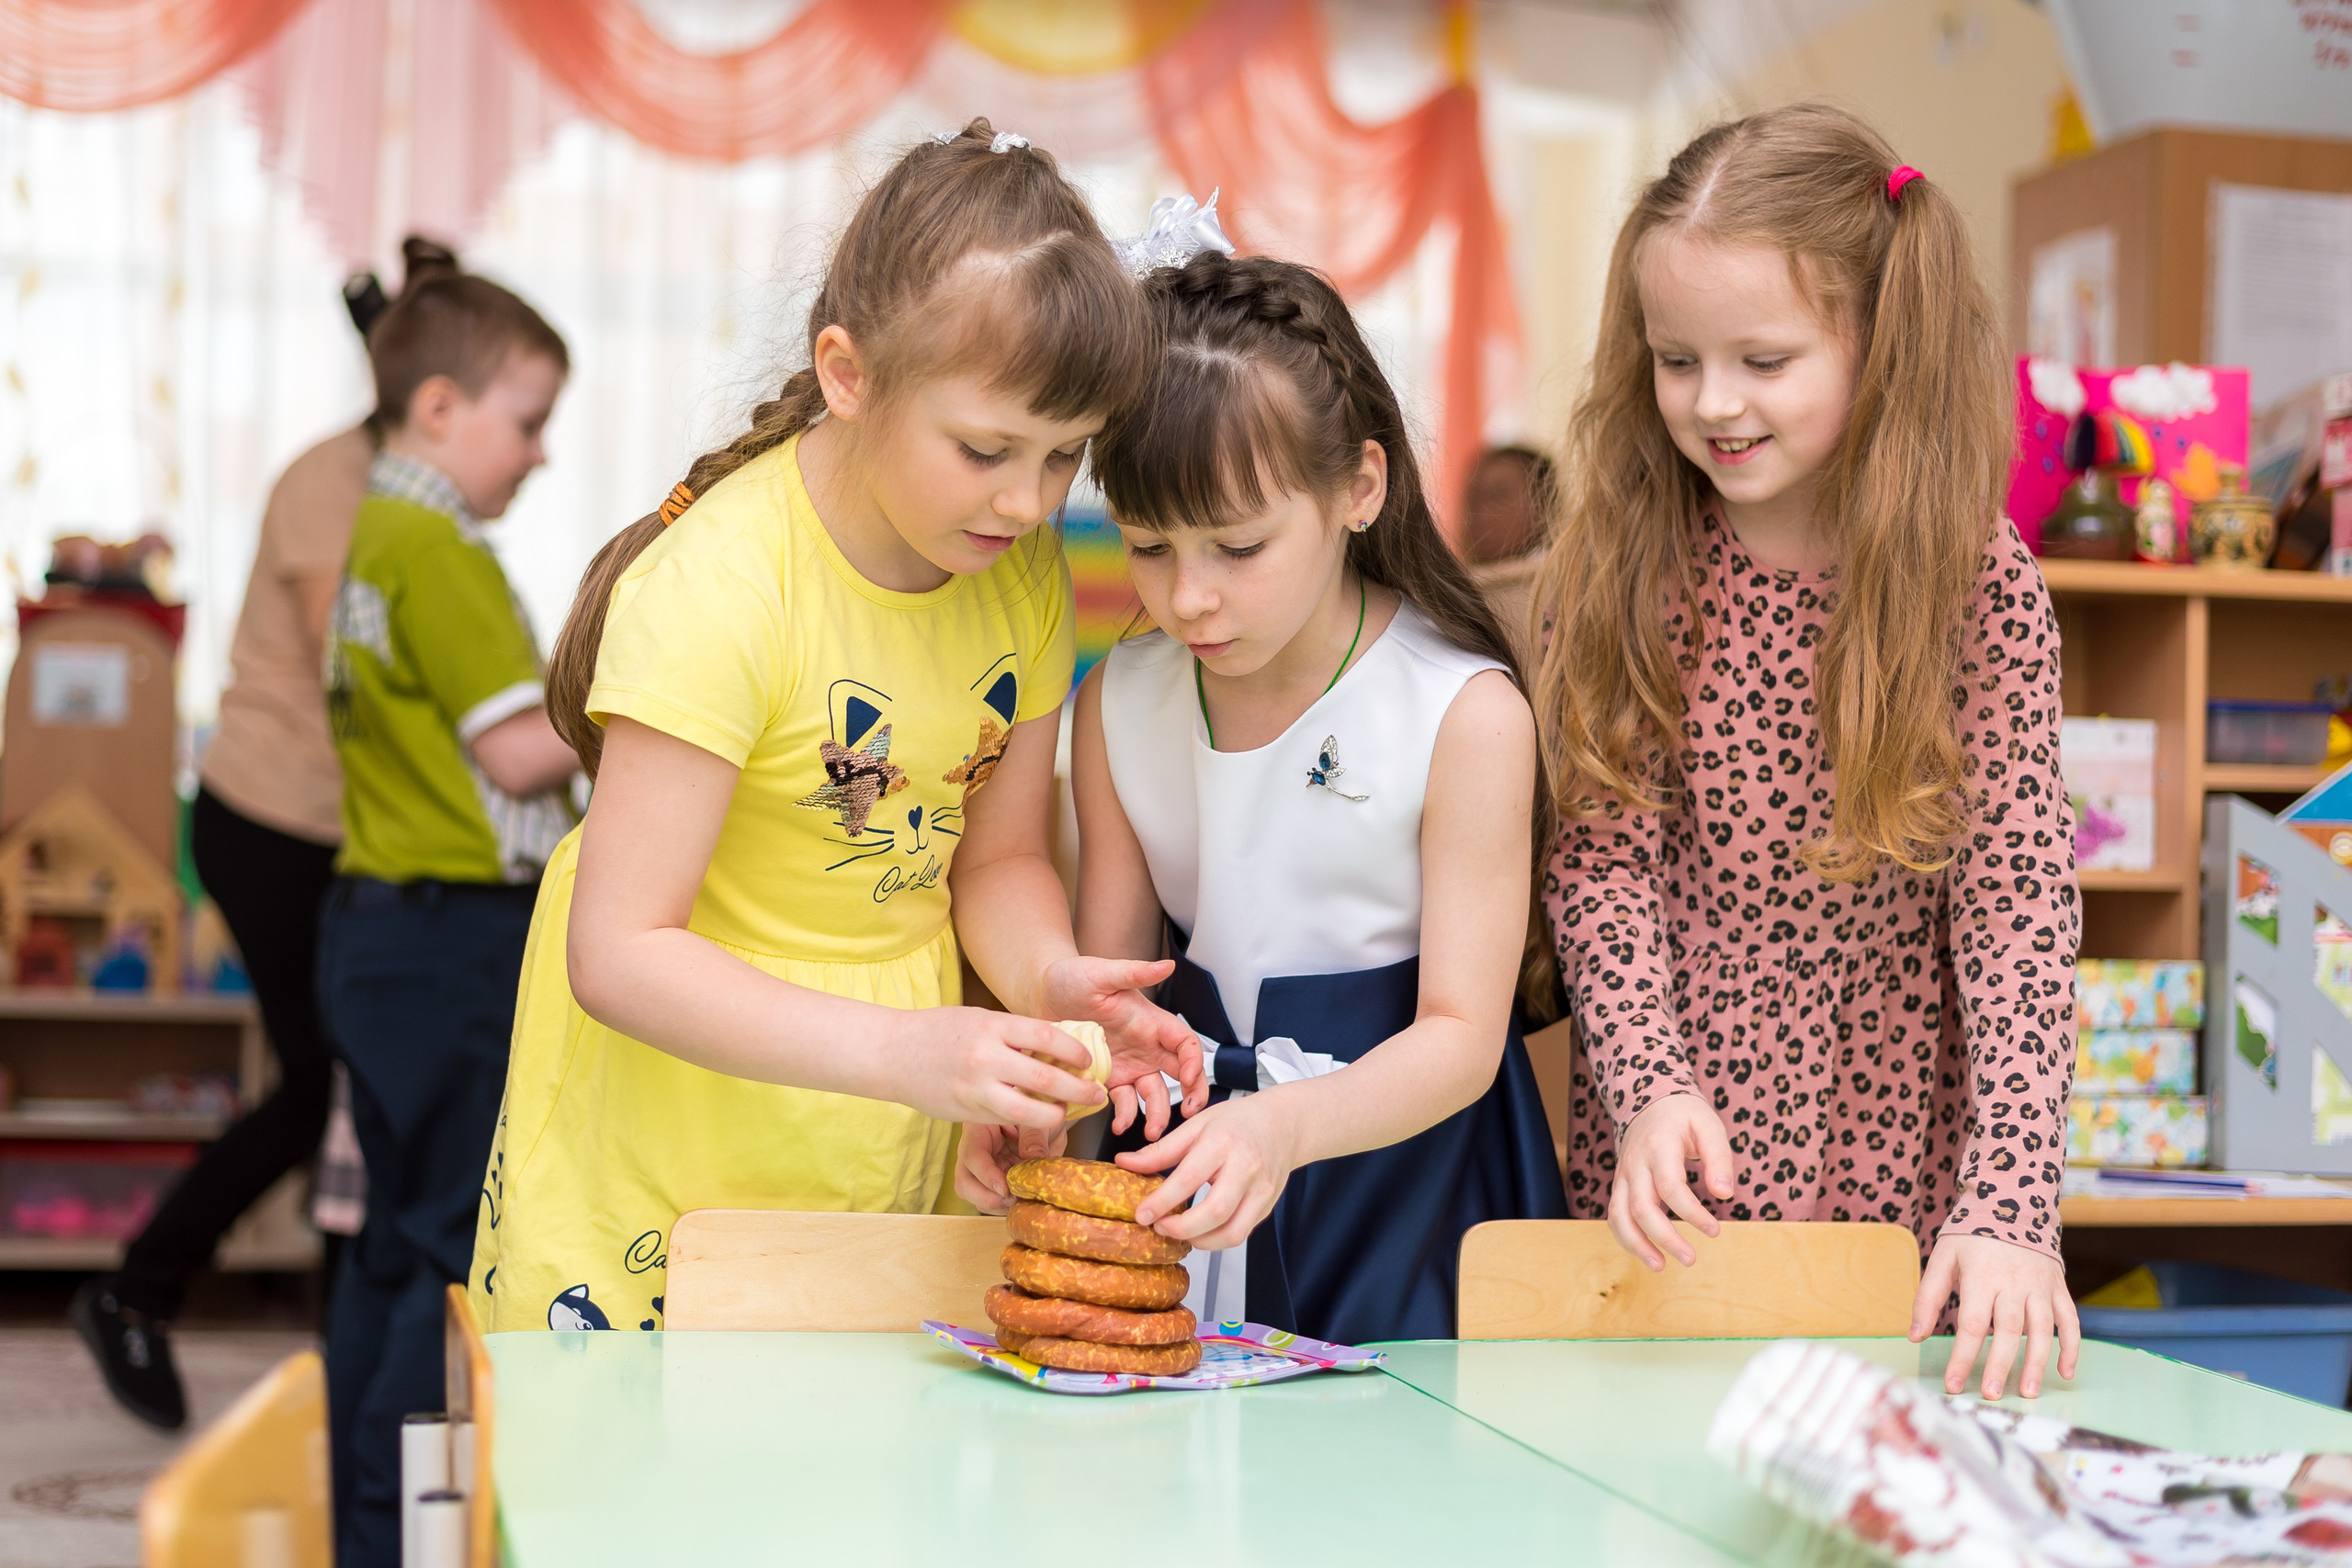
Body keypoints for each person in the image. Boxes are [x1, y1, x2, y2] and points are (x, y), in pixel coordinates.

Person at [466, 120, 1204, 1348]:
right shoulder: (723, 586)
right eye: (985, 449)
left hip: (877, 1122)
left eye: (1064, 456)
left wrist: (1041, 978)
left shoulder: (1013, 573)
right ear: (849, 374)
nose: (1027, 502)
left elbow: (1000, 857)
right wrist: (914, 1050)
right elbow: (621, 948)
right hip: (667, 1136)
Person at [1533, 104, 2079, 1401]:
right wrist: (1653, 1083)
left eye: (1763, 359)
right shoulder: (1621, 568)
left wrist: (2009, 1200)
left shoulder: (1978, 588)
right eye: (1676, 359)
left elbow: (2015, 908)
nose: (1713, 403)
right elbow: (1601, 865)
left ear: (1877, 346)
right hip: (1675, 1151)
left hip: (1903, 1166)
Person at [965, 249, 1568, 1345]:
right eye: (1147, 547)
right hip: (1196, 1175)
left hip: (1412, 1186)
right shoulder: (1117, 703)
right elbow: (1120, 999)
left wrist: (1285, 1127)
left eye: (1238, 546)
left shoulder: (1464, 713)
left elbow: (1462, 1039)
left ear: (1359, 489)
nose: (1188, 598)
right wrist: (1055, 1104)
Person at [69, 237, 454, 1432]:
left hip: (325, 828)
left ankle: (305, 1326)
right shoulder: (337, 488)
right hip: (271, 819)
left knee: (346, 1082)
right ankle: (138, 1287)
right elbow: (379, 669)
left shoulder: (403, 481)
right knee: (331, 1080)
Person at [319, 264, 578, 1567]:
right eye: (526, 422)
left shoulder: (372, 530)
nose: (538, 455)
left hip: (377, 928)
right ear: (438, 407)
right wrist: (628, 703)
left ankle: (360, 1518)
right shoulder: (442, 549)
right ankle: (400, 1529)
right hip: (454, 939)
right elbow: (524, 750)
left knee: (386, 1242)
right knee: (444, 1248)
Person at [1459, 443, 1557, 668]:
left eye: (1498, 495)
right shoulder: (1455, 591)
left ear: (1542, 505)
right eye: (1474, 498)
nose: (1479, 511)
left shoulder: (1563, 587)